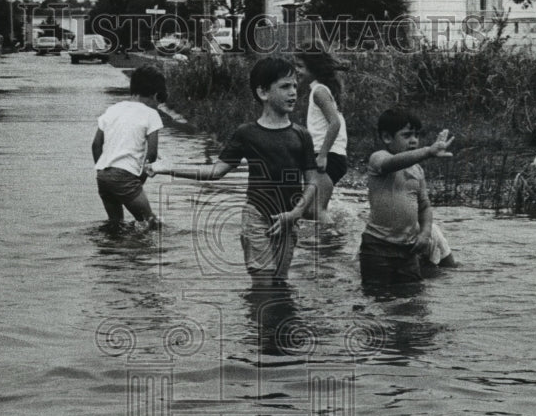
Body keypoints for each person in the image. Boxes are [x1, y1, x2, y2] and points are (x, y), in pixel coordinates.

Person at [149, 57, 319, 287]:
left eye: (295, 86)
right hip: (257, 217)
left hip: (289, 219)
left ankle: (270, 321)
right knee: (263, 286)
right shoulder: (247, 133)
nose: (293, 93)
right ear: (263, 93)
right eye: (285, 86)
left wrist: (296, 213)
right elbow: (215, 171)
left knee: (279, 283)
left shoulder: (301, 135)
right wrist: (167, 168)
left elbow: (312, 181)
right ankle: (255, 320)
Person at [359, 108, 455, 288]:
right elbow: (392, 164)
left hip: (408, 249)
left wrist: (425, 233)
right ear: (387, 138)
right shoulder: (378, 158)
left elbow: (425, 206)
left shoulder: (417, 170)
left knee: (413, 298)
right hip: (378, 247)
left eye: (417, 135)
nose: (414, 141)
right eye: (407, 135)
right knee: (377, 298)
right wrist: (428, 151)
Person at [91, 64, 167, 229]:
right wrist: (139, 181)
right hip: (125, 176)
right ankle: (141, 252)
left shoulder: (113, 109)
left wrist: (102, 171)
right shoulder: (151, 114)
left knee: (115, 224)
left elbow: (96, 145)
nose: (158, 106)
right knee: (151, 223)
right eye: (159, 102)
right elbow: (152, 154)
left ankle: (112, 252)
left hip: (103, 176)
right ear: (155, 95)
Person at [293, 44, 349, 220]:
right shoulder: (319, 89)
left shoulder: (319, 91)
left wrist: (323, 155)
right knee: (309, 210)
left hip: (329, 155)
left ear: (313, 68)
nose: (297, 70)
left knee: (317, 209)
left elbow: (335, 123)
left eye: (300, 66)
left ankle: (334, 245)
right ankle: (323, 242)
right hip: (329, 154)